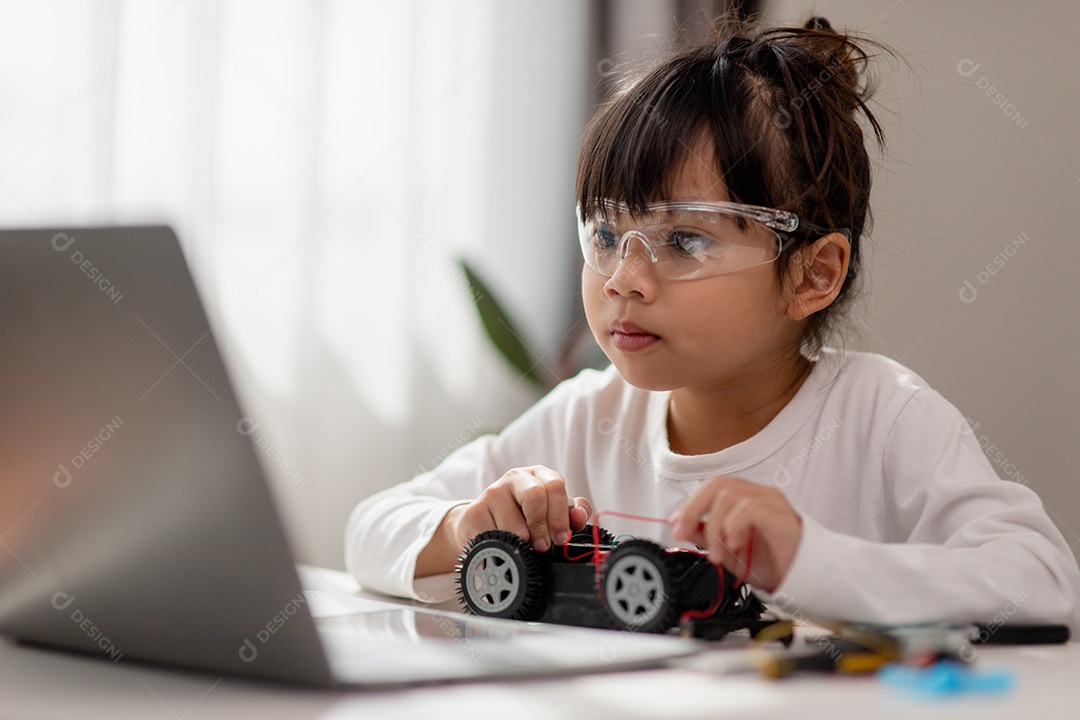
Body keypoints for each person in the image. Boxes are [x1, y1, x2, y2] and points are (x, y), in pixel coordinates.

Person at [345, 16, 1079, 630]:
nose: (623, 278)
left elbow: (1041, 578)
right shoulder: (585, 419)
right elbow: (368, 530)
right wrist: (462, 530)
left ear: (812, 275)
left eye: (685, 240)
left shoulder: (882, 417)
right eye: (605, 236)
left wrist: (809, 558)